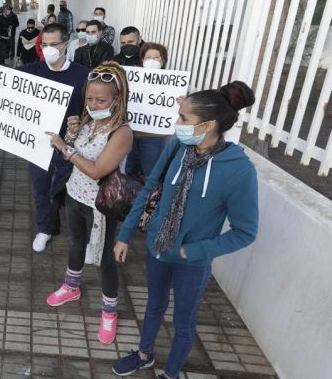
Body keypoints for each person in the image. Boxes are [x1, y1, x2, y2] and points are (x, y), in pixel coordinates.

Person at [112, 81, 258, 379]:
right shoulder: (180, 145)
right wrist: (125, 234)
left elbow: (245, 231)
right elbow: (150, 186)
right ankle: (143, 354)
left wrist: (191, 251)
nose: (176, 124)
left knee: (183, 321)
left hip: (192, 261)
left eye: (184, 119)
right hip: (158, 248)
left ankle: (172, 373)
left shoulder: (239, 169)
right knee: (153, 305)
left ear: (207, 125)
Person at [0, 22, 88, 252]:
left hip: (71, 146)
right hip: (38, 146)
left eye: (53, 44)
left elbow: (90, 110)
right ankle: (45, 229)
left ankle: (83, 238)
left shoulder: (83, 74)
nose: (48, 49)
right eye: (44, 45)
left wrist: (80, 124)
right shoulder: (32, 71)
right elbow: (2, 78)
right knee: (41, 189)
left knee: (75, 195)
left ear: (65, 44)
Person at [45, 61, 133, 344]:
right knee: (74, 243)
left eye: (101, 99)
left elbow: (97, 170)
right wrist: (71, 134)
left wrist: (64, 146)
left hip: (100, 205)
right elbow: (74, 151)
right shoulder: (88, 118)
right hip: (74, 195)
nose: (94, 104)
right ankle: (72, 285)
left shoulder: (121, 132)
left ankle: (109, 311)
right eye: (89, 98)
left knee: (105, 259)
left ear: (117, 98)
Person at [123, 41, 171, 179]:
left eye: (156, 58)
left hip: (153, 136)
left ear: (163, 60)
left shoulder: (172, 83)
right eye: (148, 57)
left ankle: (149, 199)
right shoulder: (131, 79)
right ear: (142, 59)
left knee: (151, 173)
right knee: (127, 171)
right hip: (129, 133)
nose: (152, 61)